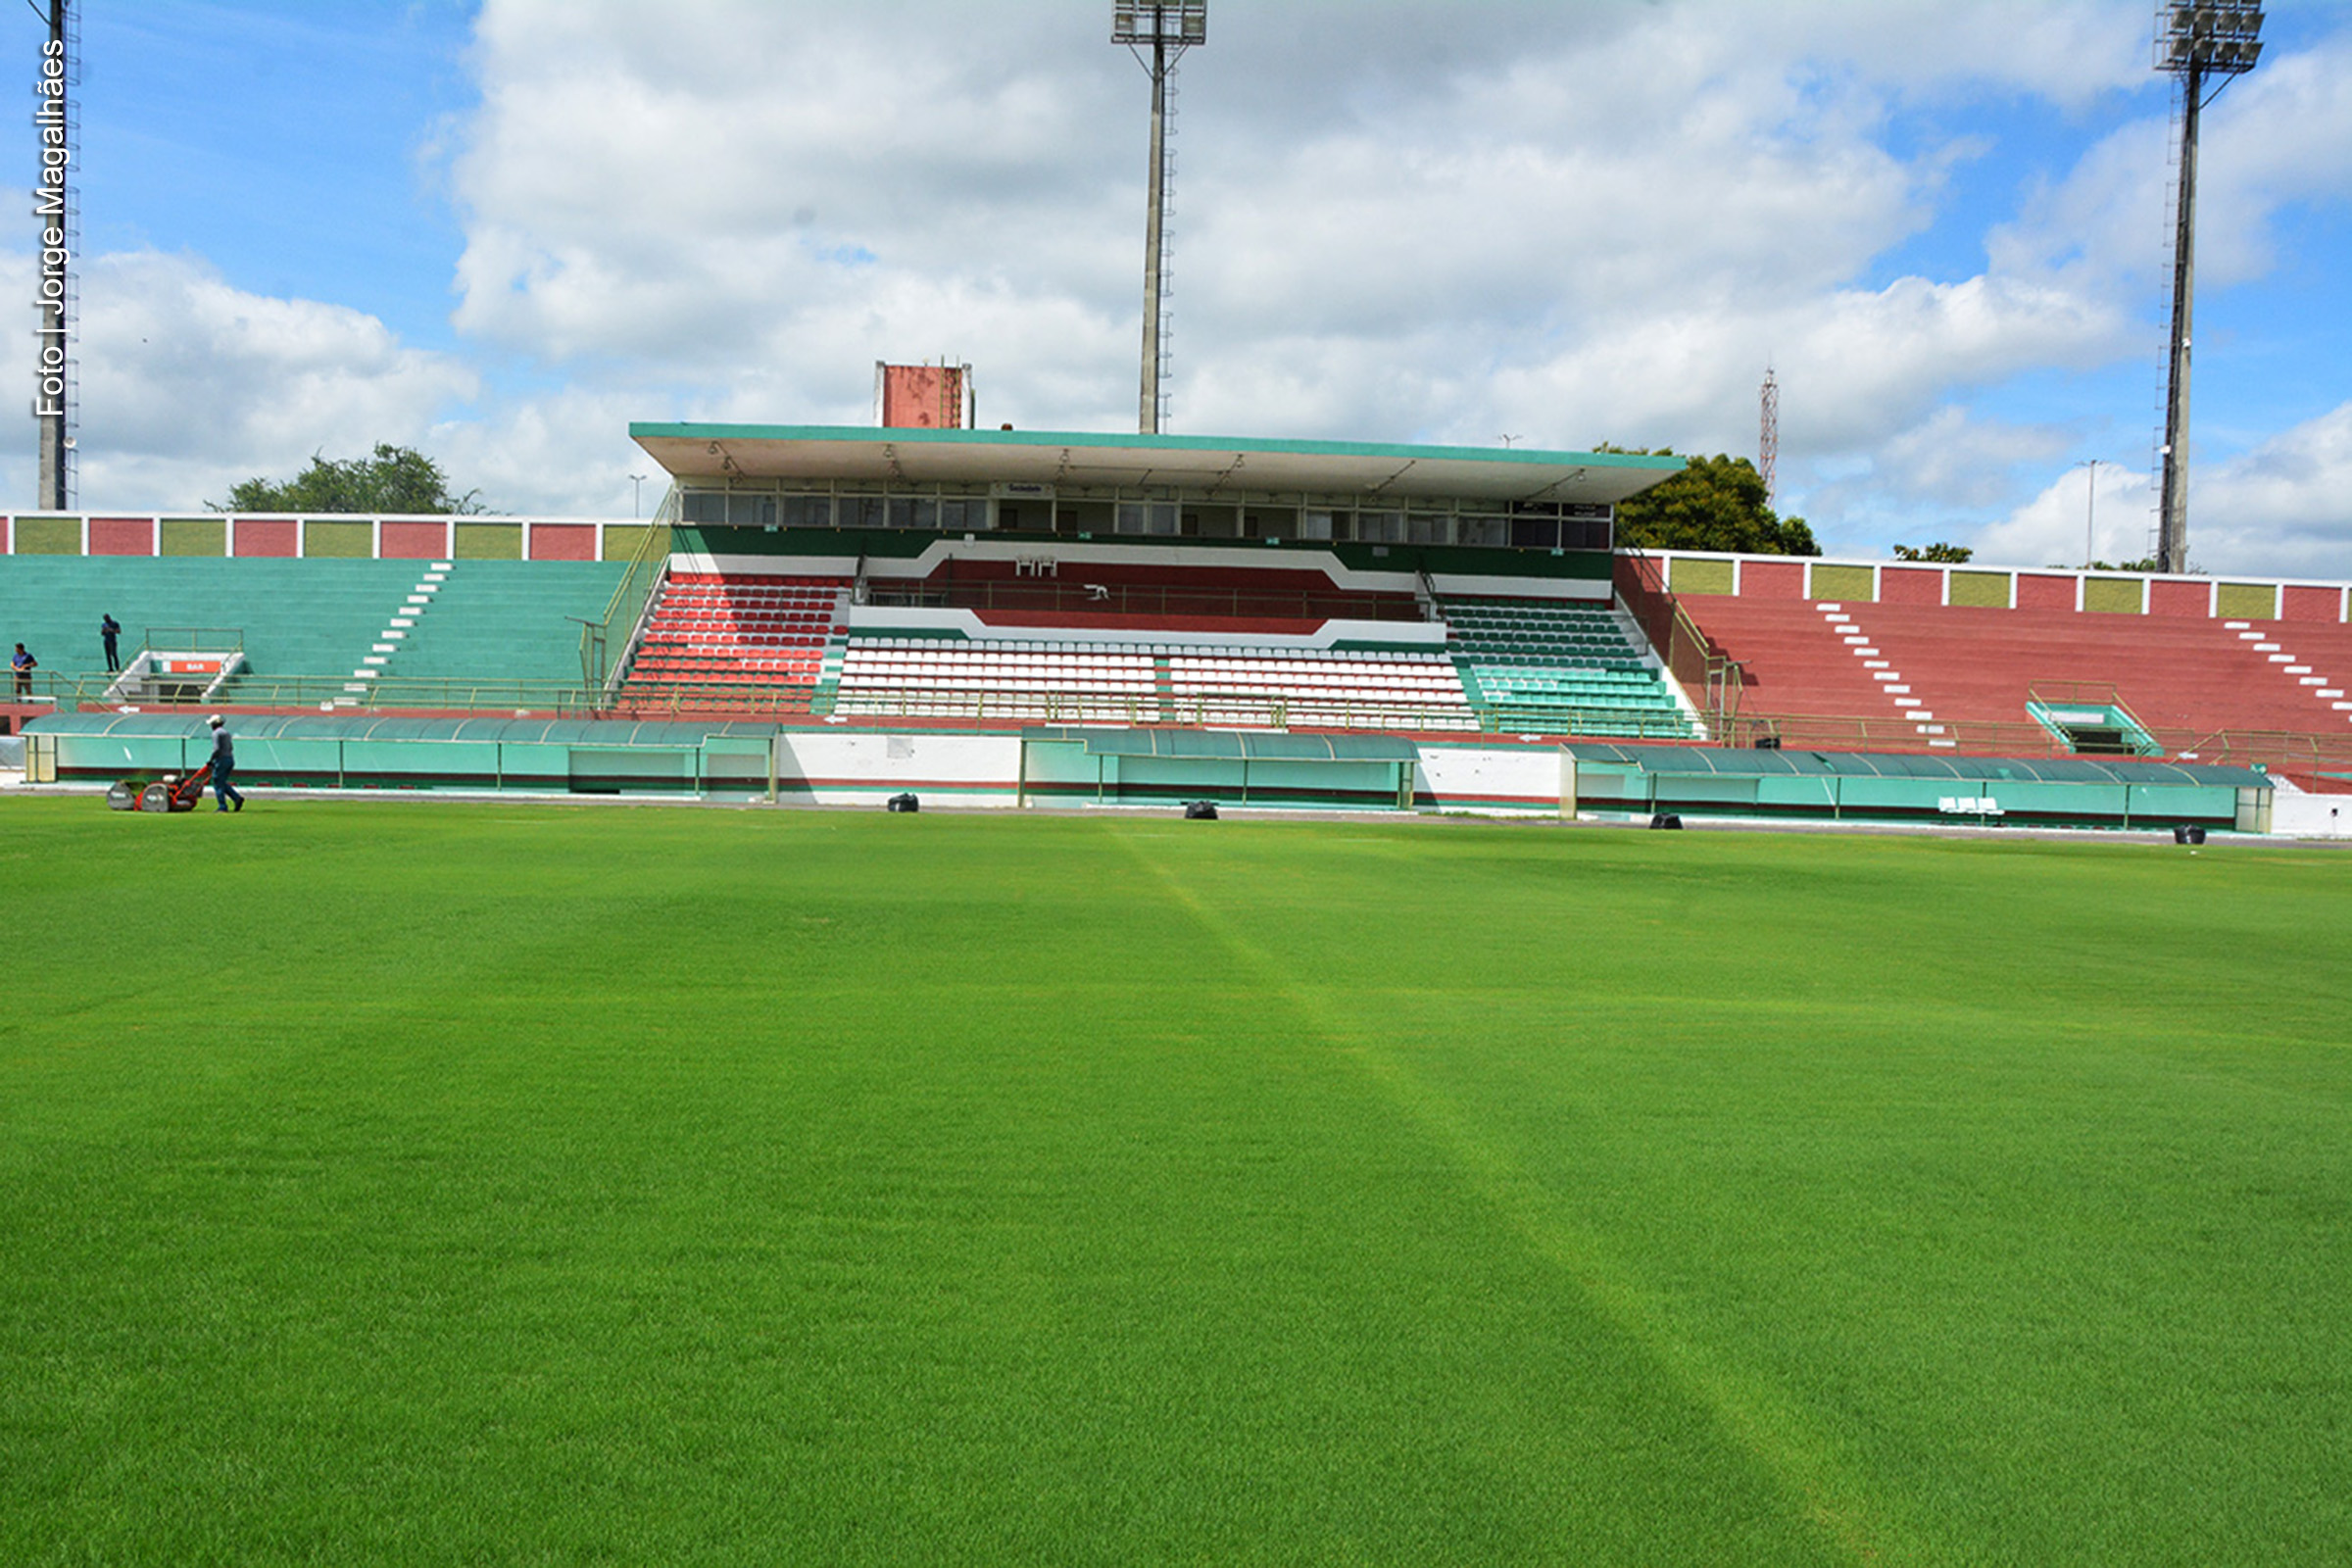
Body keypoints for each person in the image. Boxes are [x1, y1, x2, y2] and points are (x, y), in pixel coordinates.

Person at [207, 713, 244, 812]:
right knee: (222, 782)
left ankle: (222, 806)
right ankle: (236, 798)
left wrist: (211, 760)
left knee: (218, 783)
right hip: (230, 758)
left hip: (221, 760)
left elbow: (217, 749)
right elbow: (231, 747)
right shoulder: (226, 733)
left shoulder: (216, 733)